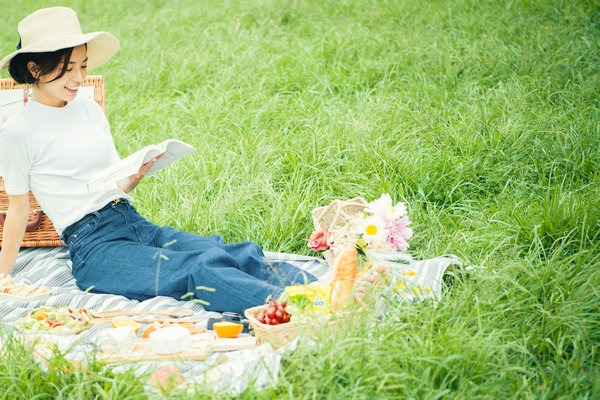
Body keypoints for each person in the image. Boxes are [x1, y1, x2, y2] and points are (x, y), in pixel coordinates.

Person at [0, 7, 317, 315]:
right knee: (198, 269)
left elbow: (113, 181)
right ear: (34, 68)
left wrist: (135, 175)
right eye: (67, 67)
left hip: (129, 220)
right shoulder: (19, 129)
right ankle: (305, 311)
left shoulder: (88, 109)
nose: (78, 77)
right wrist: (4, 280)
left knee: (222, 251)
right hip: (95, 248)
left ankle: (324, 291)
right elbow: (18, 211)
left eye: (82, 65)